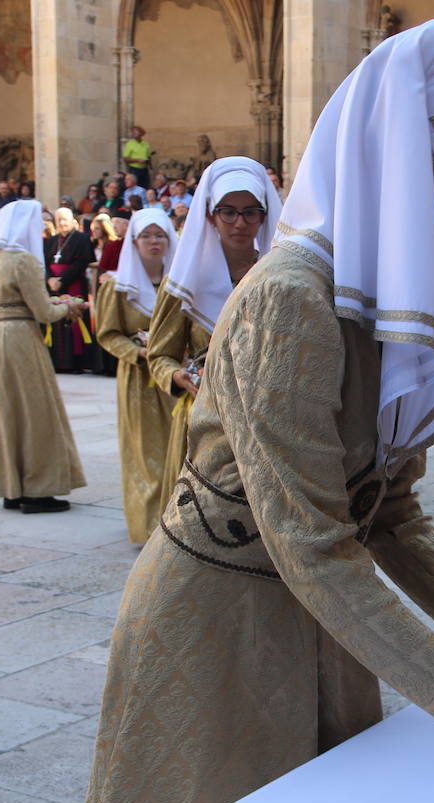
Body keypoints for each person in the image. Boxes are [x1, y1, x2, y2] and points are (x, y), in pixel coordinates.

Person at [74, 19, 434, 803]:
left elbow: (385, 507)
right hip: (217, 625)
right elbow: (311, 539)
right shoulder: (293, 300)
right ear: (394, 159)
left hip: (328, 621)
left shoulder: (385, 289)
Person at [143, 157, 282, 527]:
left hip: (267, 420)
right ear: (209, 215)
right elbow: (159, 355)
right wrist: (179, 377)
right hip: (204, 418)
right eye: (228, 212)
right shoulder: (185, 283)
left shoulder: (280, 277)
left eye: (251, 212)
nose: (240, 223)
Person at [0, 199, 88, 511]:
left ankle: (13, 487)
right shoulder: (22, 260)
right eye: (36, 222)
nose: (41, 228)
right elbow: (43, 312)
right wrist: (70, 306)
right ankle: (38, 490)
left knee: (6, 411)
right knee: (35, 411)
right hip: (20, 338)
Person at [93, 209, 179, 542]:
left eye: (160, 235)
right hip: (140, 379)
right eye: (147, 236)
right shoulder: (118, 285)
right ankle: (148, 527)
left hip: (175, 378)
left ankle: (178, 522)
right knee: (146, 451)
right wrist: (138, 352)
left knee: (179, 447)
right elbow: (108, 333)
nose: (154, 242)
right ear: (135, 241)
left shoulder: (180, 281)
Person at [43, 207, 99, 373]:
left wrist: (62, 280)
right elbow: (45, 263)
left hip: (73, 284)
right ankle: (58, 362)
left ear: (72, 221)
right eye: (58, 220)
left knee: (74, 323)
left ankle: (76, 363)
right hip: (54, 286)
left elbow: (81, 263)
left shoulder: (82, 239)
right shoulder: (51, 241)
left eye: (64, 219)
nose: (61, 223)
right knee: (55, 322)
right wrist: (50, 279)